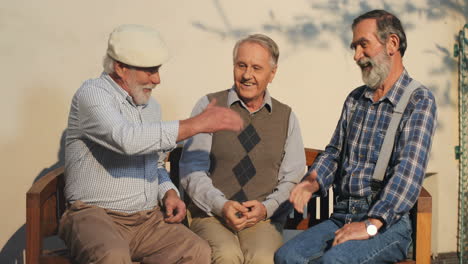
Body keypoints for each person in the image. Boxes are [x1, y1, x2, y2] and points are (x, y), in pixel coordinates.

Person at [60, 24, 244, 264]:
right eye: (150, 70)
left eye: (157, 70)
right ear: (121, 68)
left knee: (197, 251)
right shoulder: (93, 95)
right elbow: (126, 139)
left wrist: (167, 191)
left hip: (146, 221)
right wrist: (195, 124)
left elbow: (155, 164)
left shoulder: (151, 106)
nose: (157, 79)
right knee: (112, 256)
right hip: (95, 216)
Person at [275, 9, 437, 264]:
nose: (356, 56)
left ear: (392, 43)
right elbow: (334, 154)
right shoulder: (355, 99)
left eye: (363, 45)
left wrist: (370, 225)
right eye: (354, 47)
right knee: (287, 256)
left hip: (386, 225)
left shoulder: (419, 100)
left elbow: (408, 172)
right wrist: (311, 182)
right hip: (342, 216)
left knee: (334, 262)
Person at [179, 34, 306, 264]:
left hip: (262, 220)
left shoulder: (286, 117)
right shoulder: (210, 106)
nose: (247, 75)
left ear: (272, 74)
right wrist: (222, 205)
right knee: (226, 256)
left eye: (257, 68)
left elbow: (293, 177)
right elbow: (192, 171)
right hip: (211, 216)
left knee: (264, 258)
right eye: (241, 66)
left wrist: (266, 209)